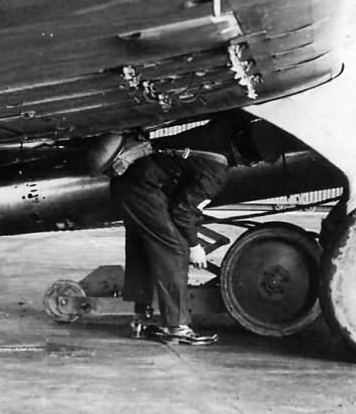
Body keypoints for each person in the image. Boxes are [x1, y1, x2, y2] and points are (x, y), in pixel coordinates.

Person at [90, 113, 269, 346]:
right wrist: (195, 247)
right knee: (175, 249)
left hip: (132, 181)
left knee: (144, 243)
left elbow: (238, 114)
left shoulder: (224, 127)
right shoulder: (214, 175)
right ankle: (176, 327)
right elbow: (183, 212)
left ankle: (141, 317)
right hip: (142, 189)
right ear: (249, 161)